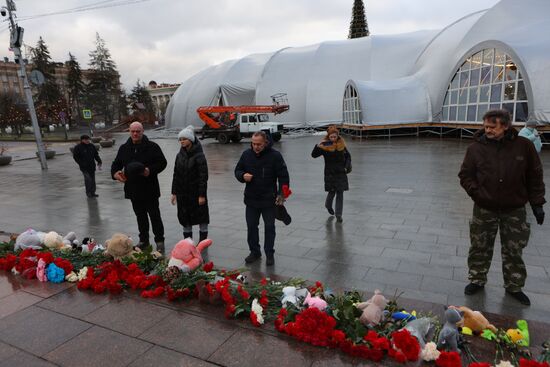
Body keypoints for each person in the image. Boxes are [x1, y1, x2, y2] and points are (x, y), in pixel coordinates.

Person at [458, 109, 545, 306]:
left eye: (492, 127)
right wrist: (477, 193)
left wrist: (537, 203)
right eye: (485, 126)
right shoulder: (475, 148)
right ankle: (477, 279)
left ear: (505, 126)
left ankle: (514, 285)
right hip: (484, 208)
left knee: (513, 249)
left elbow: (535, 175)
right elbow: (465, 175)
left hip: (514, 209)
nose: (487, 130)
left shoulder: (524, 147)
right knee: (480, 246)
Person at [235, 131, 290, 266]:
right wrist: (242, 176)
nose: (255, 146)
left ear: (265, 142)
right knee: (251, 227)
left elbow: (283, 177)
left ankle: (269, 253)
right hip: (251, 199)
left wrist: (282, 195)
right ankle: (255, 252)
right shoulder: (246, 155)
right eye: (253, 143)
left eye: (259, 144)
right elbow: (237, 170)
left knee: (269, 227)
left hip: (269, 200)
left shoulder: (275, 156)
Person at [111, 121, 168, 252]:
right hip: (133, 189)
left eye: (138, 131)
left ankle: (159, 241)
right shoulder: (124, 148)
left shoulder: (152, 147)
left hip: (150, 189)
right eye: (133, 131)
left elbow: (162, 163)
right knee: (140, 216)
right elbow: (116, 164)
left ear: (142, 131)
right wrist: (115, 174)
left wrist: (150, 170)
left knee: (155, 216)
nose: (135, 133)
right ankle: (144, 241)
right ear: (129, 132)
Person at [171, 125, 210, 242]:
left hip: (196, 193)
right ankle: (188, 243)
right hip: (183, 194)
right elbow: (175, 174)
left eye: (184, 139)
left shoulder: (199, 155)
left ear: (191, 140)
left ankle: (203, 242)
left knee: (201, 217)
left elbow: (203, 176)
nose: (182, 141)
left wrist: (202, 195)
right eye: (180, 139)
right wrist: (174, 192)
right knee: (185, 218)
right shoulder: (179, 155)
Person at [311, 125, 352, 223]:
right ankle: (328, 205)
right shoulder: (325, 146)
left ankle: (339, 215)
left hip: (341, 172)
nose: (333, 139)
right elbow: (313, 155)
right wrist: (318, 146)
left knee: (340, 193)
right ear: (328, 137)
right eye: (331, 137)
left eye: (335, 136)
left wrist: (346, 167)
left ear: (337, 136)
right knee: (332, 192)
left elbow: (348, 157)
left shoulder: (342, 145)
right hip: (330, 173)